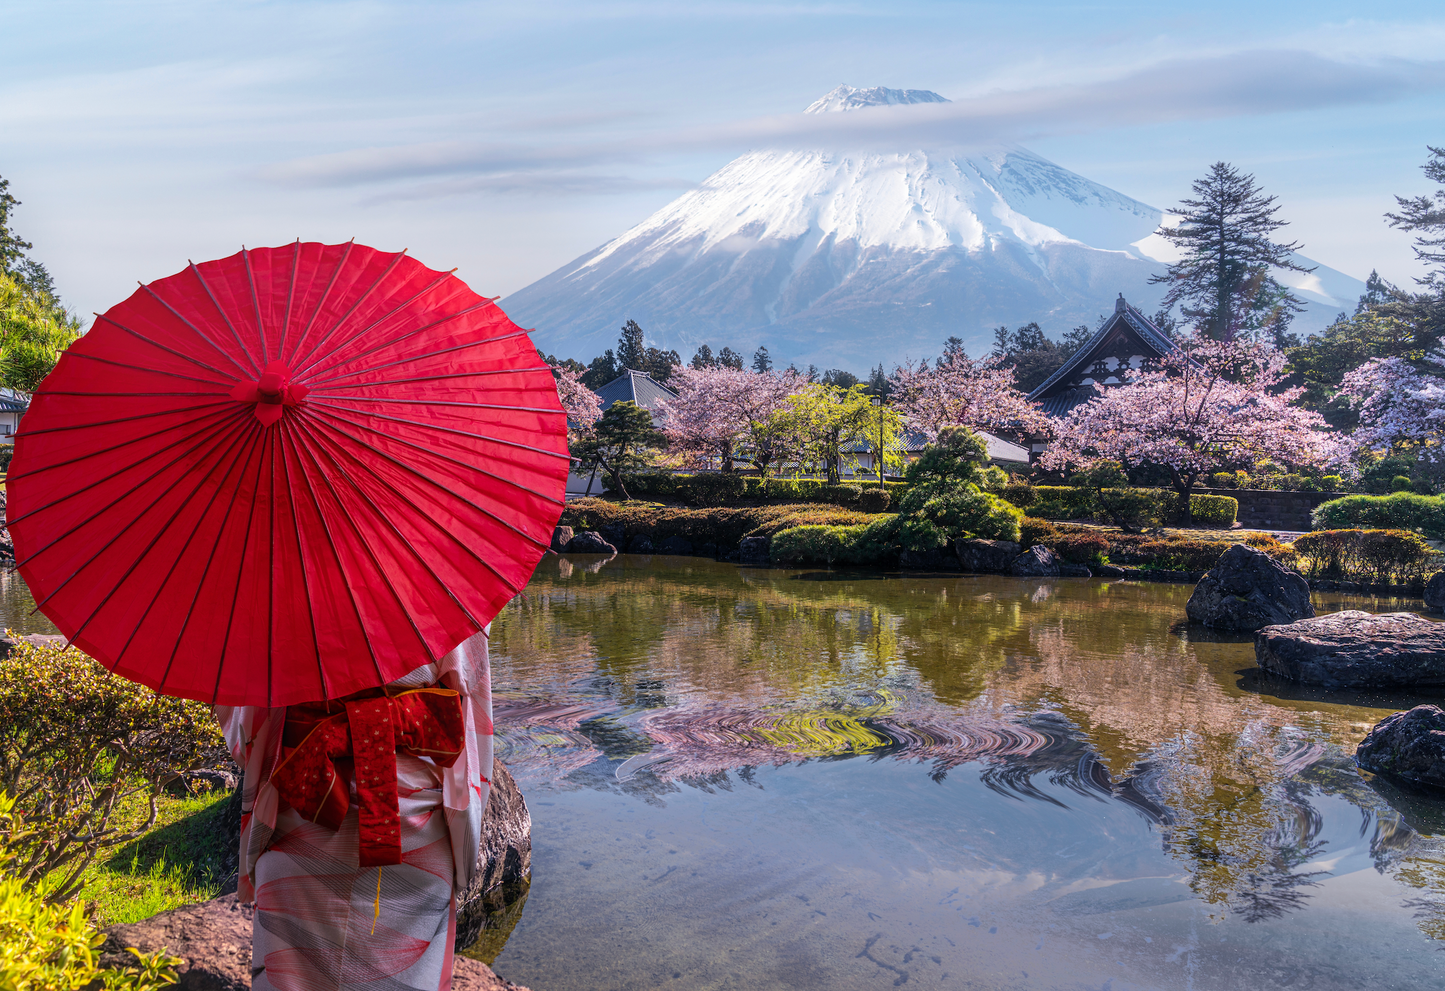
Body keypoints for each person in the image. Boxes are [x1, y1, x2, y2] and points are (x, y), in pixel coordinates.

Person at [217, 630, 494, 991]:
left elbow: (246, 730)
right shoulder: (438, 591)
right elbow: (471, 709)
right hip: (415, 824)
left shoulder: (273, 600)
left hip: (305, 807)